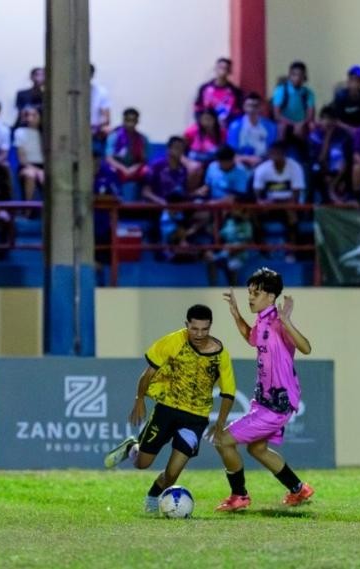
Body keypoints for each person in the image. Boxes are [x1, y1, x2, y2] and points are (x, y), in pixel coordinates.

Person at [104, 305, 236, 513]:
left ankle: (152, 497)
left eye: (204, 329)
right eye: (194, 328)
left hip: (196, 418)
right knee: (142, 463)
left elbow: (228, 393)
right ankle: (132, 448)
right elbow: (148, 373)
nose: (199, 334)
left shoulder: (221, 355)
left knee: (173, 473)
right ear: (187, 325)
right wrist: (139, 399)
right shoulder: (173, 341)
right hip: (166, 409)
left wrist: (220, 423)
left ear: (210, 327)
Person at [213, 269, 314, 512]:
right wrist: (236, 314)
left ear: (270, 296)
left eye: (255, 293)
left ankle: (239, 495)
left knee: (223, 440)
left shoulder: (278, 322)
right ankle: (299, 489)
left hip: (277, 405)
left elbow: (306, 347)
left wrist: (287, 320)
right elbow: (251, 337)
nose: (250, 297)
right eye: (249, 292)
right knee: (257, 449)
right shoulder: (262, 320)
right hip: (265, 401)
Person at [252, 142, 306, 256]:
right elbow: (258, 194)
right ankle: (262, 248)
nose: (275, 156)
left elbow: (296, 195)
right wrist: (263, 202)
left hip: (290, 203)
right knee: (255, 213)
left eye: (278, 153)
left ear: (284, 154)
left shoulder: (295, 167)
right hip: (270, 204)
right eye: (273, 153)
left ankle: (291, 250)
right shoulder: (261, 169)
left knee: (291, 212)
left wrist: (283, 203)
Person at [308, 105, 352, 204]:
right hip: (320, 170)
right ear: (320, 120)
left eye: (331, 119)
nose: (328, 122)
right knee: (314, 168)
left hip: (337, 172)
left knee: (344, 163)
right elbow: (320, 159)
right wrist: (327, 137)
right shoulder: (314, 136)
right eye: (325, 118)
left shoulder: (343, 136)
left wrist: (339, 178)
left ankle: (333, 189)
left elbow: (347, 159)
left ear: (336, 121)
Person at [105, 107, 150, 201]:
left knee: (147, 171)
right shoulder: (114, 136)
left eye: (133, 120)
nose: (130, 124)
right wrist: (123, 169)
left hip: (134, 169)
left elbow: (144, 160)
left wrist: (134, 168)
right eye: (128, 120)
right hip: (118, 168)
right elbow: (109, 158)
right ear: (123, 120)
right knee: (108, 170)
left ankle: (143, 198)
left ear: (137, 121)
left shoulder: (142, 139)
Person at [270, 61, 315, 154]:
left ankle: (305, 157)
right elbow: (277, 115)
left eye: (300, 75)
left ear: (304, 77)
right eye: (294, 75)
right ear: (290, 76)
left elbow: (310, 115)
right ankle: (280, 154)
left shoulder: (308, 93)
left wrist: (301, 124)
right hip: (286, 123)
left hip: (301, 125)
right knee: (282, 128)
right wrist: (294, 124)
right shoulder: (281, 90)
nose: (297, 78)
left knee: (310, 128)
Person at [226, 92, 277, 170]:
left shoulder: (270, 126)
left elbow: (272, 149)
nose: (252, 109)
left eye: (256, 106)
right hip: (241, 162)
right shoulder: (235, 126)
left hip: (263, 162)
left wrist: (261, 160)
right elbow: (231, 150)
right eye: (249, 105)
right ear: (244, 106)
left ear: (261, 107)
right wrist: (246, 159)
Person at [194, 57, 243, 127]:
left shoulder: (235, 91)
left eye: (226, 68)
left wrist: (228, 123)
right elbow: (198, 108)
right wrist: (202, 122)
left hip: (226, 128)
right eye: (220, 67)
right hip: (207, 127)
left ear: (230, 71)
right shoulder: (204, 88)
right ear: (215, 69)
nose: (222, 70)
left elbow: (238, 112)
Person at [142, 136, 189, 205]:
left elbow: (183, 192)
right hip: (156, 206)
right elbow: (146, 192)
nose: (180, 151)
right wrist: (161, 202)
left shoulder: (183, 169)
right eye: (177, 148)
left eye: (182, 149)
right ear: (169, 149)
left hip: (175, 207)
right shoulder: (156, 166)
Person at [183, 108, 224, 187]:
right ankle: (192, 193)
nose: (206, 122)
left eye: (209, 119)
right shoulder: (191, 131)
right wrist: (188, 163)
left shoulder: (221, 133)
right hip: (193, 162)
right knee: (196, 168)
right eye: (204, 119)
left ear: (215, 120)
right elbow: (180, 153)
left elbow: (224, 152)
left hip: (214, 163)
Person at [331, 65, 360, 135]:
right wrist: (351, 130)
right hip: (344, 132)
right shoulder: (340, 96)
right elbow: (336, 120)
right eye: (355, 80)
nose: (357, 83)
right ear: (349, 81)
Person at [14, 106, 44, 202]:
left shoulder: (44, 133)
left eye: (34, 115)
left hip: (43, 166)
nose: (30, 118)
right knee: (30, 175)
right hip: (26, 166)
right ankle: (27, 208)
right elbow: (22, 159)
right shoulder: (19, 132)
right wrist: (37, 170)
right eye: (27, 115)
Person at [90, 64, 112, 152]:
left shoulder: (101, 92)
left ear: (92, 75)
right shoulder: (72, 93)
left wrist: (96, 128)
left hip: (95, 130)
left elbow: (106, 119)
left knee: (107, 131)